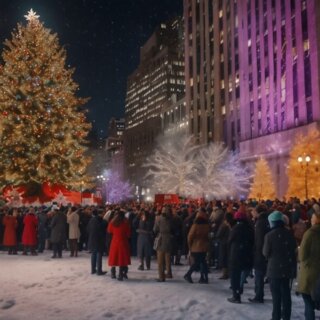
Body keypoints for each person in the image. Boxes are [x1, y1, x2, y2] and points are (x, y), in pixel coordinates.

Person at [263, 211, 297, 320]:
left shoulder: (269, 235)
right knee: (286, 294)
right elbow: (293, 250)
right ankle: (286, 316)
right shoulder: (289, 233)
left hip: (274, 269)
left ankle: (276, 317)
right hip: (286, 269)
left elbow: (265, 252)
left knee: (276, 296)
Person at [297, 207, 320, 320]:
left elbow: (302, 255)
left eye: (312, 218)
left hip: (310, 272)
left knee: (308, 301)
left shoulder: (310, 233)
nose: (311, 219)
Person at [227, 211, 254, 303]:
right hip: (247, 254)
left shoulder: (236, 228)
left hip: (236, 254)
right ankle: (239, 290)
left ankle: (236, 295)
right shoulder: (250, 228)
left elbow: (230, 240)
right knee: (243, 272)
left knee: (235, 275)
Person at [249, 204, 270, 303]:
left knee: (259, 274)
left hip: (259, 253)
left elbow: (259, 240)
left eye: (253, 211)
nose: (252, 213)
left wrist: (257, 251)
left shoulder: (260, 223)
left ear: (258, 212)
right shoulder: (266, 220)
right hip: (263, 252)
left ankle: (258, 295)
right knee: (260, 274)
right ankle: (258, 294)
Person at [183, 208, 210, 284]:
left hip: (196, 247)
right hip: (204, 246)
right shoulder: (207, 226)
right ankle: (203, 277)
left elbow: (190, 237)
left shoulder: (195, 226)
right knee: (203, 262)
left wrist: (190, 246)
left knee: (197, 262)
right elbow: (208, 236)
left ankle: (188, 274)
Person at [108, 209, 131, 281]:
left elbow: (109, 231)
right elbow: (128, 234)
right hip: (123, 242)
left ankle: (113, 273)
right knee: (122, 258)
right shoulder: (125, 223)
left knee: (114, 257)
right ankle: (121, 274)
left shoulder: (112, 222)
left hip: (114, 242)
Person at [153, 206, 174, 282]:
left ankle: (161, 277)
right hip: (169, 239)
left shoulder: (158, 219)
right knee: (168, 258)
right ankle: (169, 273)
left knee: (160, 260)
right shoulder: (172, 219)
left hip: (161, 239)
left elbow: (155, 229)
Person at [87, 209, 107, 275]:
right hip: (100, 240)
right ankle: (99, 270)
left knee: (93, 254)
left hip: (92, 239)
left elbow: (88, 229)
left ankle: (93, 269)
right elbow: (105, 230)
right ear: (101, 214)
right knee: (99, 254)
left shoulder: (91, 220)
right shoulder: (103, 221)